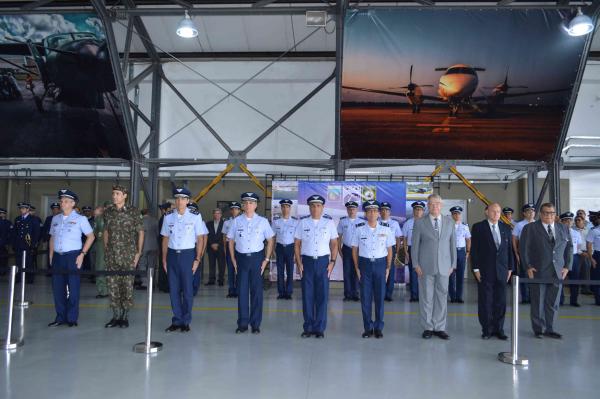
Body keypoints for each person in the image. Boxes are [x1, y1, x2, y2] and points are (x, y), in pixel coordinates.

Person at [520, 202, 572, 339]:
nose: (549, 216)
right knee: (538, 301)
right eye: (546, 213)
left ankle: (550, 328)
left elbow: (569, 248)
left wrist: (567, 266)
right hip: (538, 271)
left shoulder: (563, 228)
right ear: (541, 214)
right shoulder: (530, 228)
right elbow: (524, 249)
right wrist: (528, 266)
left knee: (553, 302)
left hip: (558, 271)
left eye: (552, 213)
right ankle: (539, 329)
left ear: (555, 215)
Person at [227, 192, 274, 334]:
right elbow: (230, 240)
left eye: (251, 203)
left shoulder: (262, 221)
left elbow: (271, 239)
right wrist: (233, 259)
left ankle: (255, 324)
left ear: (256, 205)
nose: (248, 205)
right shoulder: (236, 221)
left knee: (256, 293)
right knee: (241, 292)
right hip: (241, 259)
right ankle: (242, 324)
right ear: (242, 205)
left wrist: (266, 259)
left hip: (257, 259)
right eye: (246, 203)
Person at [411, 194, 456, 340]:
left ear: (441, 205)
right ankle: (428, 327)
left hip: (445, 267)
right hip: (425, 267)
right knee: (426, 297)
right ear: (427, 206)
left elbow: (452, 245)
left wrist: (453, 264)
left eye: (437, 203)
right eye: (431, 204)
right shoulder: (419, 223)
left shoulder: (450, 222)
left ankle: (439, 327)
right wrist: (416, 264)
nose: (434, 206)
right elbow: (415, 246)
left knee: (442, 297)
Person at [161, 188, 206, 332]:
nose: (180, 201)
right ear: (175, 200)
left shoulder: (195, 216)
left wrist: (197, 259)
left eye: (183, 199)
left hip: (188, 255)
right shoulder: (168, 217)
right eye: (177, 198)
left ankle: (186, 321)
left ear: (188, 201)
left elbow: (200, 238)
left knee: (187, 290)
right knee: (173, 290)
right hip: (172, 255)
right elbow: (165, 238)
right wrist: (164, 258)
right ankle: (177, 320)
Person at [48, 189, 94, 327]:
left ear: (73, 203)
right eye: (61, 201)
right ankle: (60, 317)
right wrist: (51, 255)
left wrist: (82, 254)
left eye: (66, 201)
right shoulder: (55, 219)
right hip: (58, 257)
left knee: (73, 288)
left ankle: (72, 318)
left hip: (73, 256)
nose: (62, 203)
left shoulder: (81, 219)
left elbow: (91, 237)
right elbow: (52, 238)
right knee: (57, 288)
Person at [294, 194, 338, 338]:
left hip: (323, 263)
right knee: (307, 296)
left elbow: (334, 243)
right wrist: (299, 263)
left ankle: (319, 328)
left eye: (318, 205)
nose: (315, 208)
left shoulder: (329, 223)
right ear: (309, 207)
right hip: (307, 262)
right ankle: (308, 327)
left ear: (322, 207)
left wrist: (332, 262)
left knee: (322, 296)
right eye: (312, 205)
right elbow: (297, 244)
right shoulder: (302, 223)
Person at [103, 185, 144, 328]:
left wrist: (138, 253)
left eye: (118, 194)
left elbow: (140, 232)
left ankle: (125, 316)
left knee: (127, 287)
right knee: (112, 286)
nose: (114, 196)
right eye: (113, 193)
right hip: (112, 256)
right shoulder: (108, 212)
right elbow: (106, 231)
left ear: (124, 196)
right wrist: (106, 249)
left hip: (128, 255)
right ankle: (115, 316)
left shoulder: (133, 212)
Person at [470, 203, 513, 340]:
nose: (496, 214)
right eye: (493, 211)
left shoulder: (505, 228)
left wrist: (510, 268)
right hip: (485, 270)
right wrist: (475, 268)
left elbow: (509, 250)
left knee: (501, 301)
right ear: (486, 212)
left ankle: (499, 329)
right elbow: (474, 250)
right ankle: (487, 329)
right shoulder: (478, 227)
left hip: (502, 271)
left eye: (498, 211)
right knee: (486, 301)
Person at [352, 200, 394, 338]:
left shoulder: (386, 229)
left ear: (378, 213)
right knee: (365, 297)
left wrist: (388, 268)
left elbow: (389, 250)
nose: (372, 213)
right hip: (365, 265)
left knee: (380, 297)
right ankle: (368, 328)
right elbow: (354, 250)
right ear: (365, 213)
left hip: (380, 264)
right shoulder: (358, 229)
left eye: (375, 211)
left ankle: (379, 327)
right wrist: (357, 267)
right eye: (369, 211)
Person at [272, 199, 298, 300]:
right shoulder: (276, 222)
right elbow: (273, 237)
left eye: (287, 207)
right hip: (279, 248)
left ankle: (289, 292)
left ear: (290, 208)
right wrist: (273, 250)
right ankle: (281, 292)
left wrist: (296, 253)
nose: (285, 209)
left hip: (291, 248)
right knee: (280, 271)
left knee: (290, 270)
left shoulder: (295, 222)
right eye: (283, 207)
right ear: (281, 208)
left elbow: (297, 239)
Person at [337, 201, 362, 302]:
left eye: (353, 209)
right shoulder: (342, 221)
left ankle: (355, 293)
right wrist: (339, 250)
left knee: (356, 272)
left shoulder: (362, 222)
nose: (351, 211)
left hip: (358, 250)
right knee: (347, 272)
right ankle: (347, 294)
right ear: (347, 210)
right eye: (350, 209)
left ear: (357, 210)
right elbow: (339, 237)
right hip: (346, 249)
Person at [512, 203, 536, 304]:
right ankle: (525, 297)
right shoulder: (519, 225)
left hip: (536, 254)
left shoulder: (538, 224)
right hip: (523, 253)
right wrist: (517, 254)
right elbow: (514, 240)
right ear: (524, 213)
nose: (531, 213)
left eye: (533, 211)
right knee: (524, 275)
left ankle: (533, 297)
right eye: (528, 211)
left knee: (535, 275)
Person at [379, 202, 403, 302]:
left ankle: (388, 294)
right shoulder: (376, 222)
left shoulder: (394, 223)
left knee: (391, 271)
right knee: (380, 272)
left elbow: (398, 238)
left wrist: (396, 252)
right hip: (379, 249)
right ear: (380, 212)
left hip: (391, 249)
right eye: (383, 210)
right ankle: (380, 293)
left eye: (387, 210)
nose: (385, 212)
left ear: (390, 212)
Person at [13, 202, 41, 284]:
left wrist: (33, 245)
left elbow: (36, 233)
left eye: (24, 208)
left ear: (28, 209)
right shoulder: (17, 219)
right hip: (19, 244)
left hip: (28, 245)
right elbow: (15, 232)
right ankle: (18, 278)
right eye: (21, 208)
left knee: (29, 262)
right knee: (18, 262)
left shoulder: (33, 219)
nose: (22, 210)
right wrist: (14, 244)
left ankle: (30, 278)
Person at [403, 201, 425, 302]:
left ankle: (423, 296)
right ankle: (414, 295)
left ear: (423, 211)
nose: (418, 211)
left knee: (423, 273)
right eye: (416, 209)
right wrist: (406, 252)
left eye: (420, 209)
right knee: (413, 272)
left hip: (424, 250)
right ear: (413, 210)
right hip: (412, 249)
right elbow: (405, 238)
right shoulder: (408, 223)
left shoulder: (427, 223)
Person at [559, 212, 582, 307]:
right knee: (560, 279)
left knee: (575, 279)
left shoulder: (576, 233)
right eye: (566, 220)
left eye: (570, 220)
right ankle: (560, 300)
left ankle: (574, 300)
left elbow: (579, 246)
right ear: (562, 222)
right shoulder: (558, 233)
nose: (569, 222)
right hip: (562, 257)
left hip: (574, 257)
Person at [448, 206, 471, 303]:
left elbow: (468, 239)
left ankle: (459, 296)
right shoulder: (448, 226)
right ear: (452, 215)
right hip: (450, 252)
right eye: (455, 213)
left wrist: (468, 251)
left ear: (460, 215)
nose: (457, 215)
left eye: (458, 213)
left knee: (460, 275)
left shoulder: (465, 226)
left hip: (461, 251)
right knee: (451, 275)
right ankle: (452, 297)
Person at [187, 202, 208, 296]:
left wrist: (202, 250)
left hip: (196, 247)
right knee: (186, 269)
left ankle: (194, 288)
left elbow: (204, 237)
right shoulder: (183, 220)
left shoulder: (200, 221)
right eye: (189, 209)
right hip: (187, 247)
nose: (191, 211)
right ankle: (187, 288)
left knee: (196, 269)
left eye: (193, 209)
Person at [222, 201, 242, 298]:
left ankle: (238, 290)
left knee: (239, 269)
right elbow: (224, 237)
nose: (234, 211)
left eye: (236, 209)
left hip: (239, 247)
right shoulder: (226, 222)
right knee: (230, 270)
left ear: (239, 210)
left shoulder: (243, 221)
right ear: (230, 210)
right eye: (232, 209)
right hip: (229, 248)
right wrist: (225, 249)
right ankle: (231, 290)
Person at [137, 209, 159, 290]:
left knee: (142, 264)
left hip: (143, 246)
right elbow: (158, 233)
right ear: (148, 213)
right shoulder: (155, 221)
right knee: (151, 265)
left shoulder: (139, 221)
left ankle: (145, 283)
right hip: (154, 246)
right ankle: (151, 282)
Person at [206, 208, 225, 286]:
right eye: (215, 213)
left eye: (218, 213)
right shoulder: (208, 223)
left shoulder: (225, 223)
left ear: (221, 215)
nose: (216, 215)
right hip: (211, 247)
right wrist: (212, 244)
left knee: (221, 264)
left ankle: (221, 280)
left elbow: (224, 236)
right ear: (213, 214)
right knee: (211, 264)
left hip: (221, 247)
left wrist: (218, 244)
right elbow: (207, 235)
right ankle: (211, 280)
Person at [93, 204, 109, 298]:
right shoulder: (113, 218)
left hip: (101, 246)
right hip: (113, 247)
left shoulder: (99, 219)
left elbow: (94, 232)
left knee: (100, 268)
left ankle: (103, 291)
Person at [157, 202, 172, 292]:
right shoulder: (165, 219)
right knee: (165, 266)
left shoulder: (164, 218)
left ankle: (163, 284)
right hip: (165, 246)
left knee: (164, 266)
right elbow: (164, 236)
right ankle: (164, 285)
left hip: (163, 245)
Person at [586, 211, 600, 306]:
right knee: (596, 278)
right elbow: (589, 246)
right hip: (598, 255)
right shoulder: (594, 230)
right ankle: (598, 299)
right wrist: (591, 259)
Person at [0, 208, 12, 274]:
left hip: (4, 243)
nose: (2, 214)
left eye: (3, 213)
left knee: (4, 258)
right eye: (1, 213)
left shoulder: (8, 222)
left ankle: (3, 271)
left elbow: (10, 233)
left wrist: (8, 242)